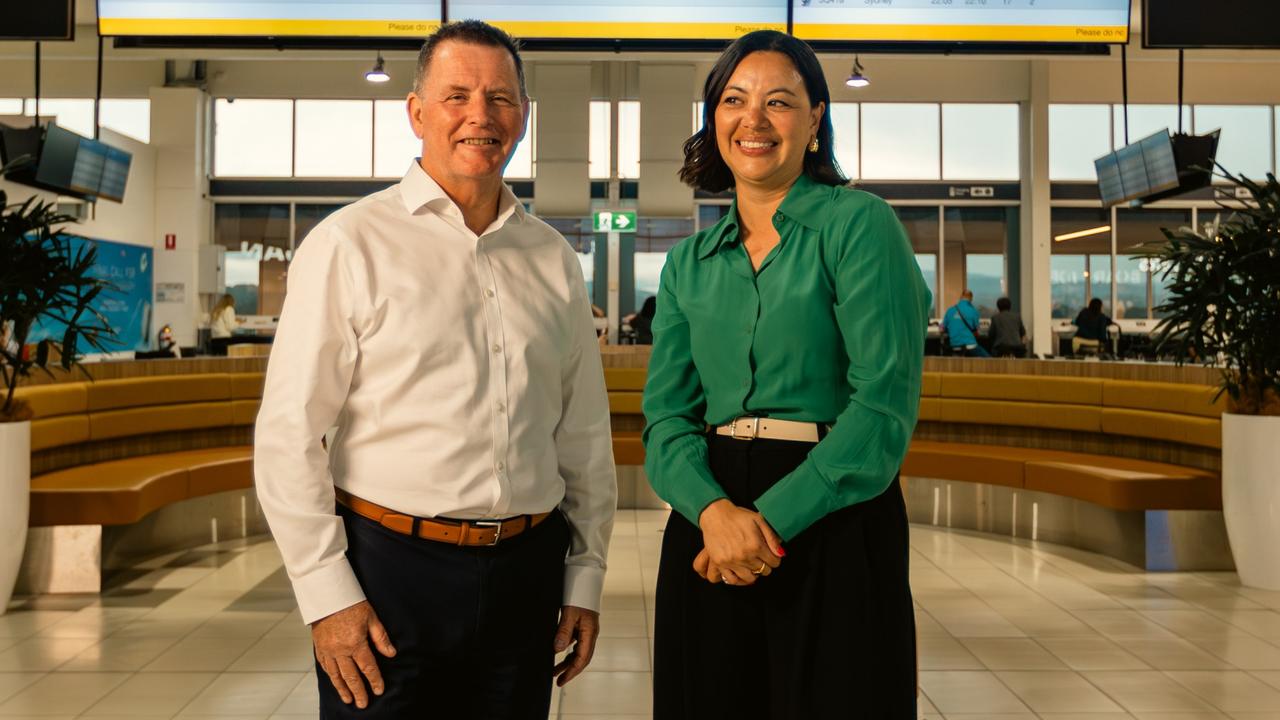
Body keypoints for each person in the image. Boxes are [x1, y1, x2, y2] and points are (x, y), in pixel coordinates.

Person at [254, 21, 617, 720]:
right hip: (389, 577)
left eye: (500, 98)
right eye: (457, 95)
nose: (480, 115)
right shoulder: (348, 244)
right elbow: (289, 435)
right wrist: (328, 597)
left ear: (523, 116)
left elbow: (582, 432)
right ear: (417, 112)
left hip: (526, 575)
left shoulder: (552, 258)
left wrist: (585, 576)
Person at [642, 30, 930, 718]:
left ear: (815, 119)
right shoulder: (689, 262)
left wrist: (766, 524)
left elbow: (883, 408)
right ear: (714, 120)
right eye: (735, 100)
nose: (755, 119)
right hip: (708, 521)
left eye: (780, 102)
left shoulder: (859, 226)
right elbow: (666, 419)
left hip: (833, 515)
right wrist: (714, 513)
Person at [941, 289, 989, 357]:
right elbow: (977, 329)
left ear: (960, 297)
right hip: (970, 346)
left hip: (954, 346)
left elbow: (942, 328)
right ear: (971, 299)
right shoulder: (973, 311)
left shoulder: (950, 310)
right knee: (990, 360)